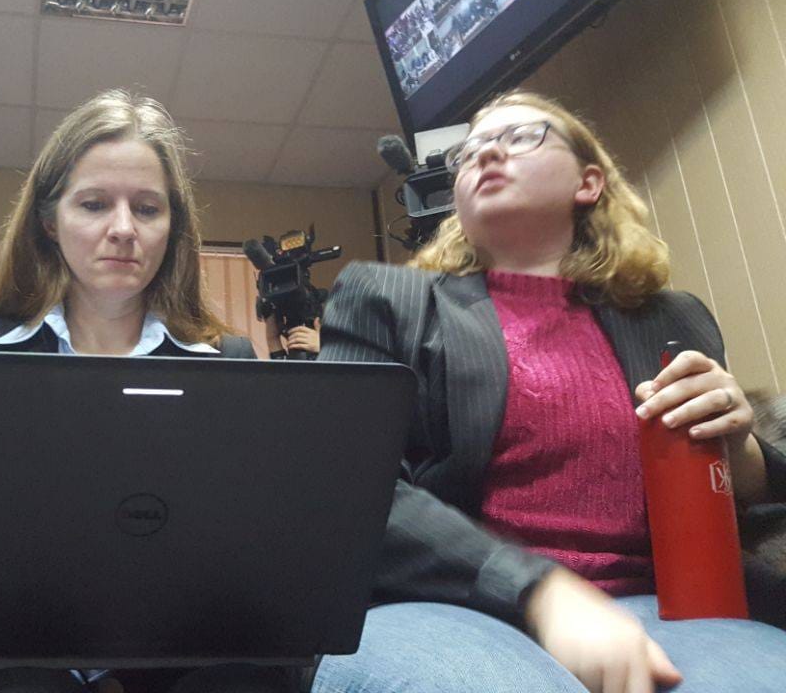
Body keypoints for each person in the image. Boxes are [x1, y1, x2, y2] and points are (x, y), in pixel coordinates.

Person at [313, 90, 786, 693]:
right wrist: (541, 591)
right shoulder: (385, 298)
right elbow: (350, 488)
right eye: (470, 150)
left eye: (520, 137)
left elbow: (738, 502)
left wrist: (740, 451)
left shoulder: (674, 317)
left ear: (588, 183)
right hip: (450, 605)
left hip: (667, 604)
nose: (486, 154)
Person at [0, 89, 291, 693]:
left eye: (147, 209)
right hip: (18, 655)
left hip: (188, 655)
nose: (123, 229)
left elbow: (250, 558)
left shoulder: (228, 364)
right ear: (49, 221)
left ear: (172, 227)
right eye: (94, 204)